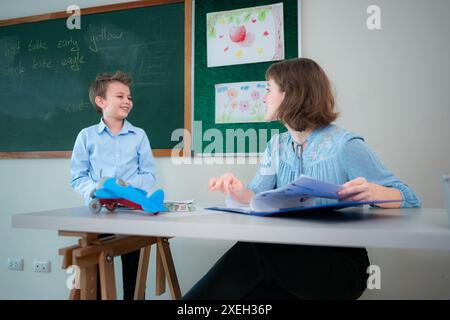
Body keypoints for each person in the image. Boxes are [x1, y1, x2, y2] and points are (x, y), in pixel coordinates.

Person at [183, 58, 421, 300]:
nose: (262, 97)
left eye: (268, 89)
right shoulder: (275, 146)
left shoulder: (345, 145)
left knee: (256, 247)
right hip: (283, 260)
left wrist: (375, 192)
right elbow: (256, 197)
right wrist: (237, 190)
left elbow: (410, 198)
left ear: (291, 95)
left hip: (339, 263)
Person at [70, 71, 156, 299]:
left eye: (129, 97)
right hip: (98, 213)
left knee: (134, 275)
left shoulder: (139, 136)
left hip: (132, 213)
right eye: (120, 96)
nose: (127, 101)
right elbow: (77, 177)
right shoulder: (86, 136)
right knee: (96, 273)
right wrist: (97, 190)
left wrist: (124, 188)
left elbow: (148, 175)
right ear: (101, 101)